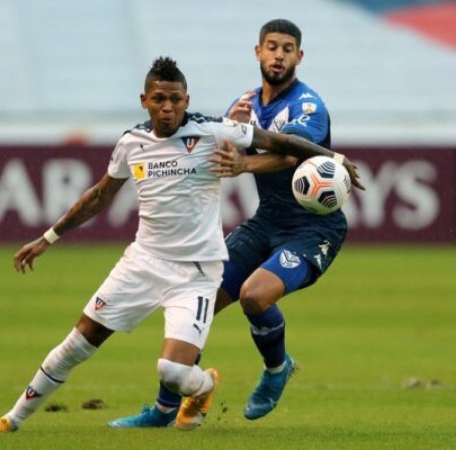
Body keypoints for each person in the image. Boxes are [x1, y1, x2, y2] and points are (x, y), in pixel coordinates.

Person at [0, 55, 360, 434]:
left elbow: (281, 142)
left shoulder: (213, 131)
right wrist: (49, 237)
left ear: (186, 100)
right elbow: (99, 196)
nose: (167, 108)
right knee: (79, 341)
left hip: (196, 272)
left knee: (171, 371)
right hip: (142, 262)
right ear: (145, 101)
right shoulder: (131, 143)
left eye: (175, 100)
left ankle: (203, 387)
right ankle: (11, 419)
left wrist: (334, 157)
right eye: (159, 99)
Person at [108, 19, 364, 428]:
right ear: (258, 52)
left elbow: (291, 155)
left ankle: (277, 370)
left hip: (313, 230)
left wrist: (245, 160)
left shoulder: (307, 106)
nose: (278, 55)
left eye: (287, 49)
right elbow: (220, 146)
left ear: (299, 57)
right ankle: (166, 408)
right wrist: (234, 129)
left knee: (254, 296)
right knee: (199, 301)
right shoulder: (245, 102)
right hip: (265, 222)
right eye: (271, 47)